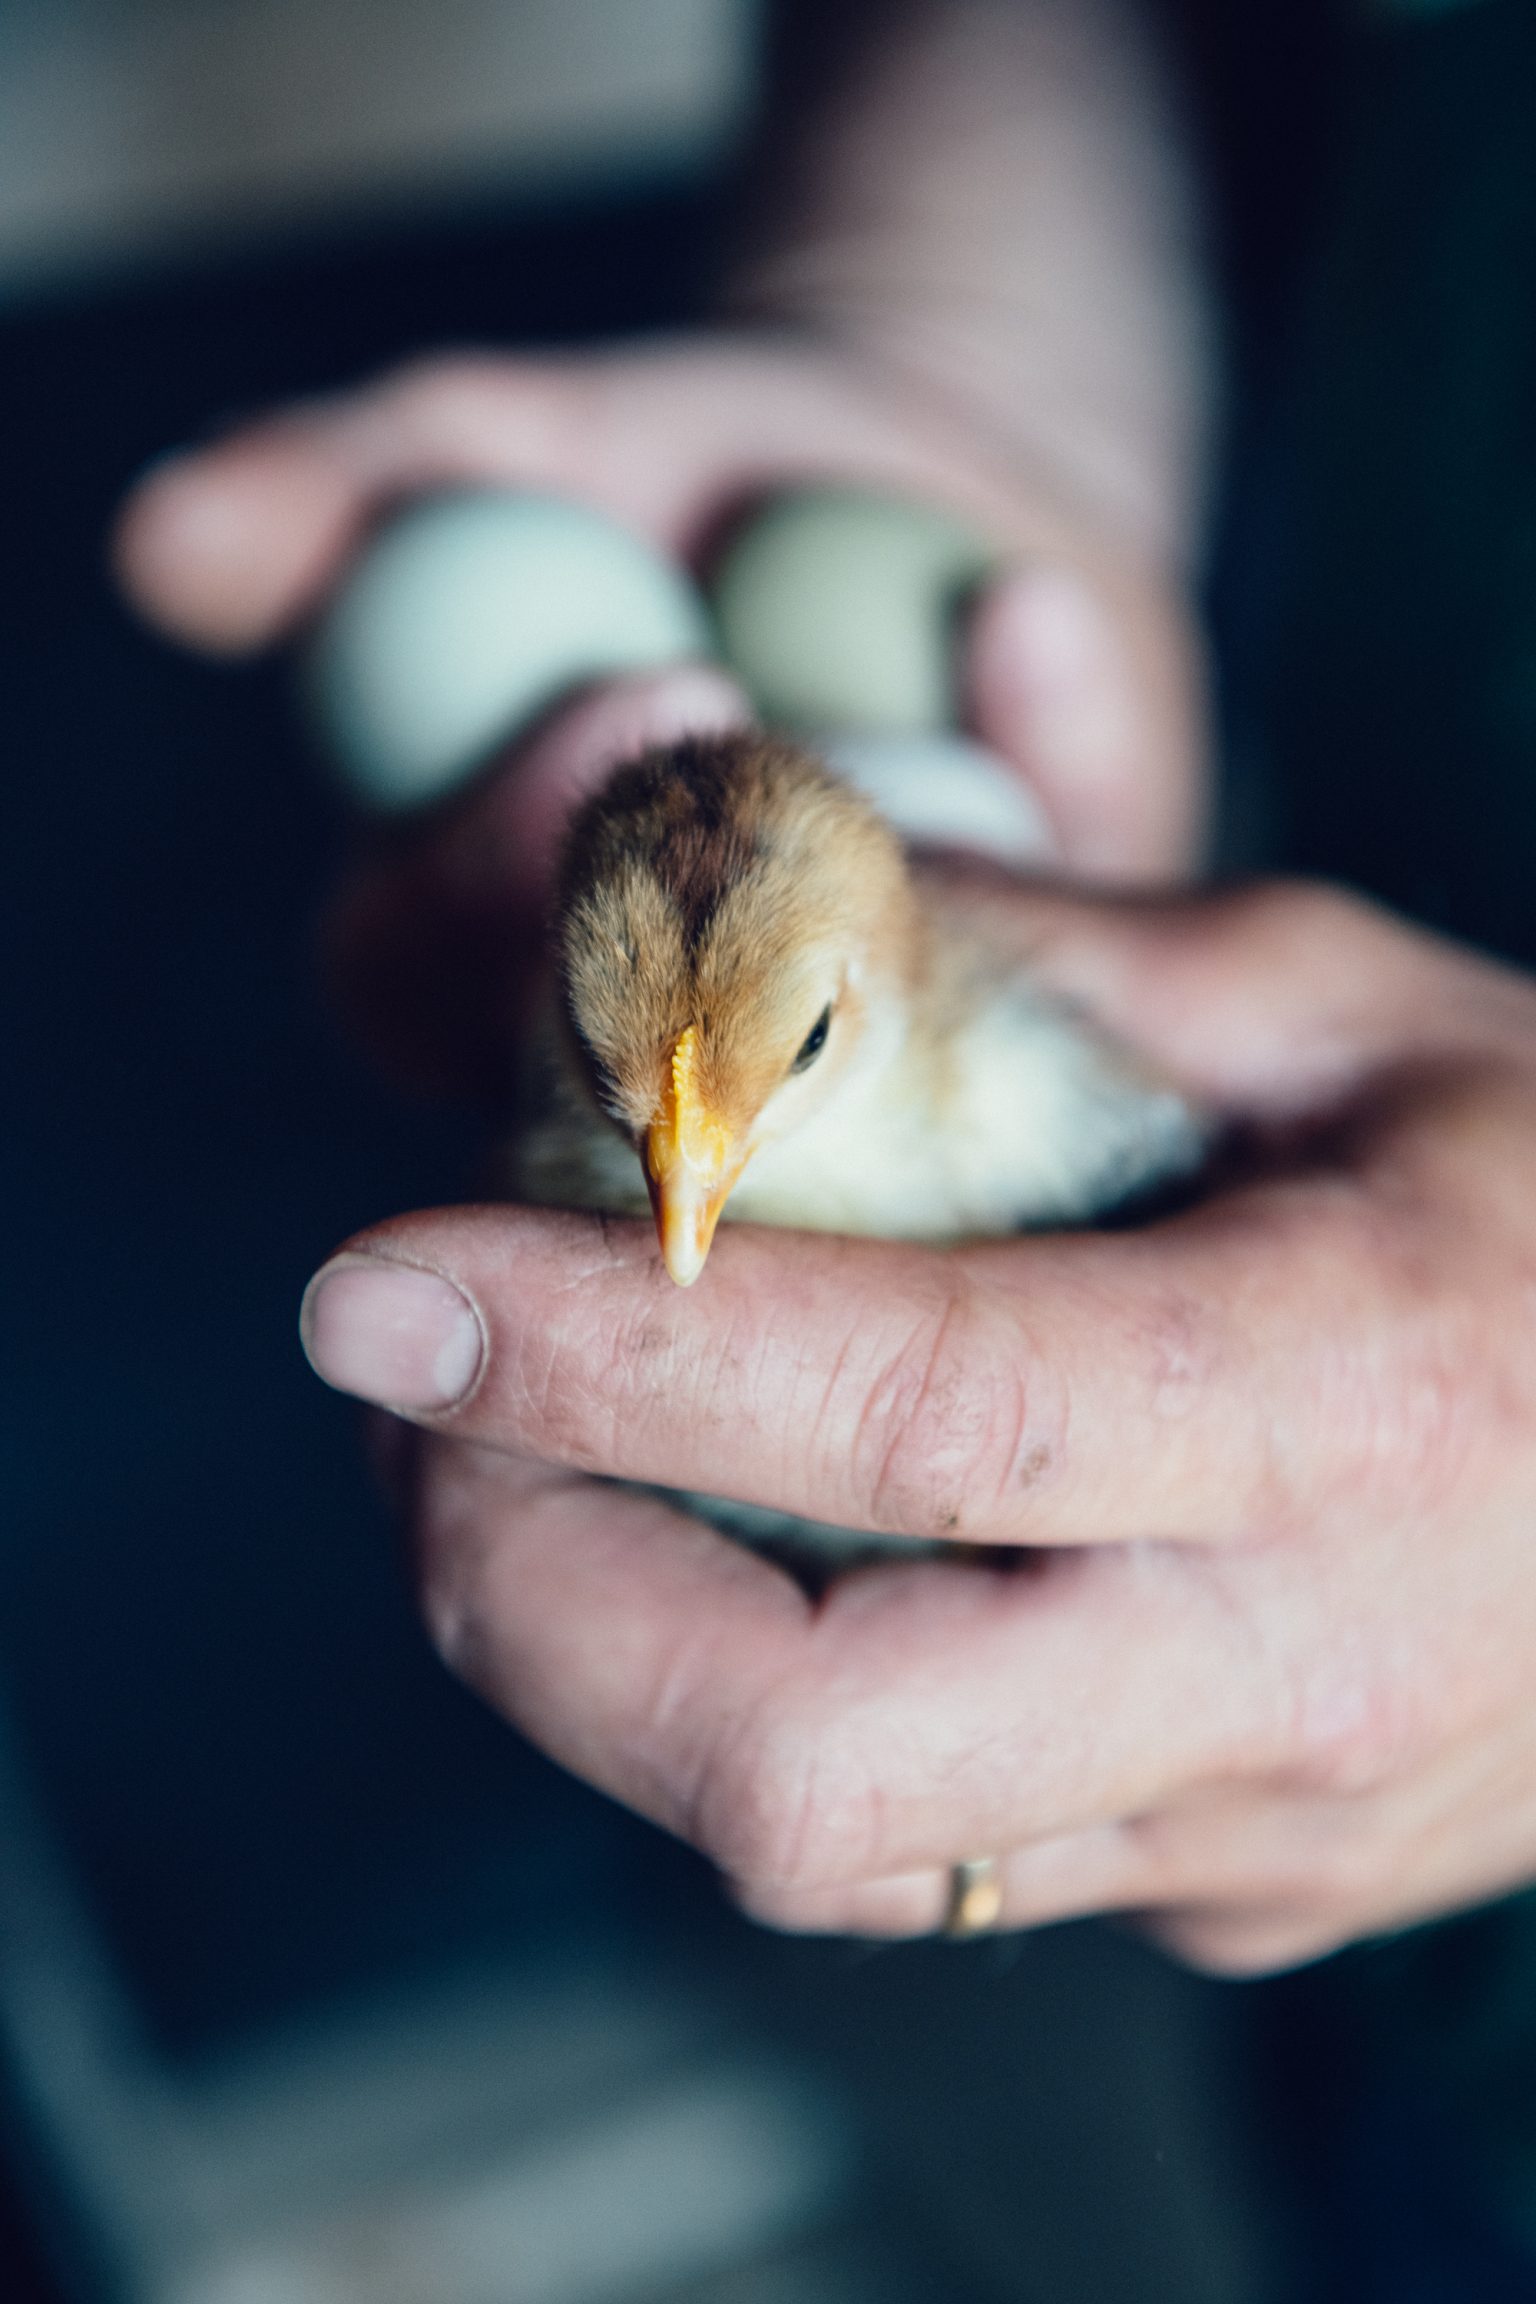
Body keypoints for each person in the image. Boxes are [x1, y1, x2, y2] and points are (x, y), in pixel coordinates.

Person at [114, 0, 1536, 2274]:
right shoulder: (720, 1019)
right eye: (635, 1103)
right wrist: (947, 360)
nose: (680, 1192)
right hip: (1396, 1941)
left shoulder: (998, 1070)